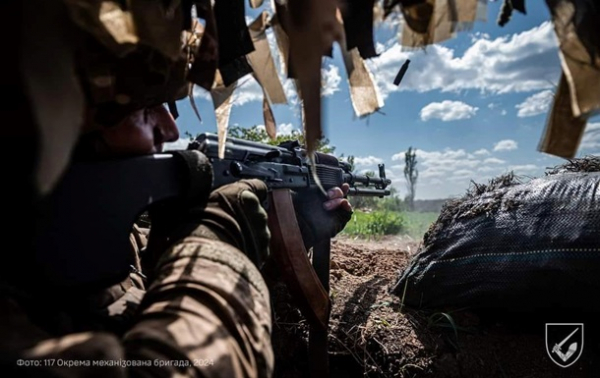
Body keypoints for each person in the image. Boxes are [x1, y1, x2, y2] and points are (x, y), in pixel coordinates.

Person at [0, 101, 353, 378]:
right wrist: (215, 243)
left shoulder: (119, 243)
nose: (170, 130)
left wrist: (294, 231)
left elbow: (175, 295)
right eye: (143, 107)